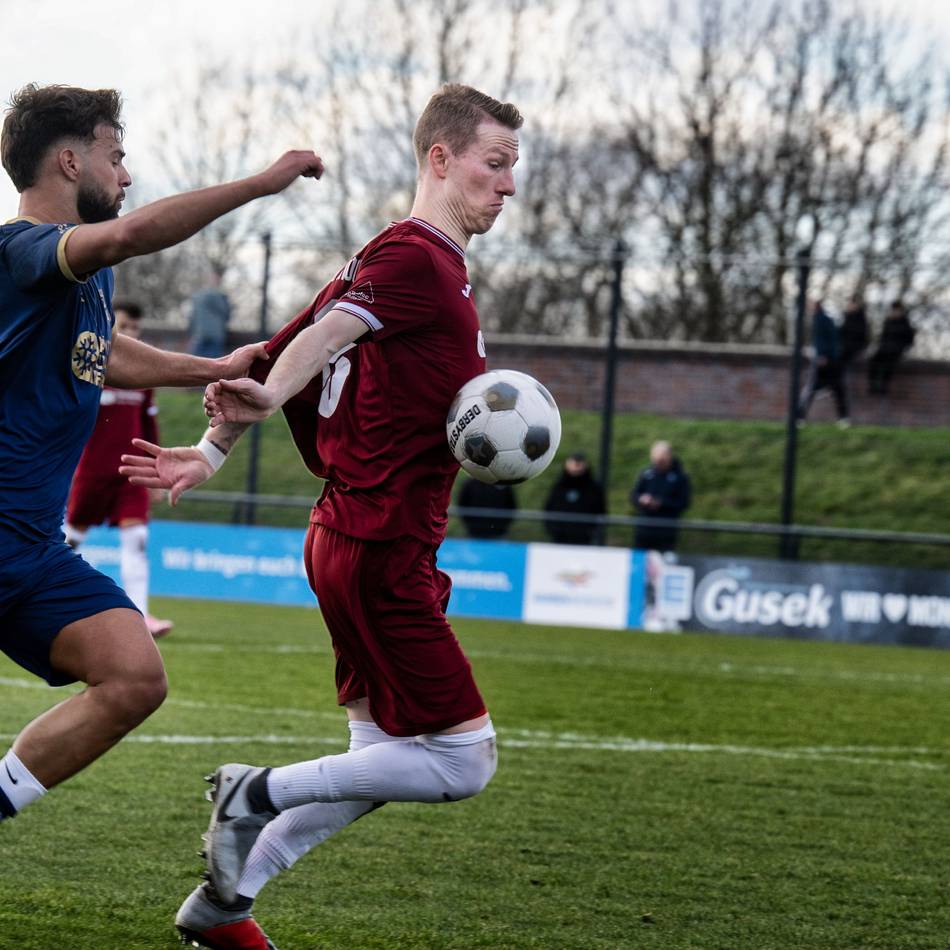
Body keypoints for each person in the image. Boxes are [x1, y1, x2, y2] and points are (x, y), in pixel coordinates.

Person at [121, 83, 523, 949]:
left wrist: (212, 450)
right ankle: (255, 792)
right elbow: (321, 339)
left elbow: (279, 347)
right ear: (441, 160)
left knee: (382, 757)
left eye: (514, 169)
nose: (509, 186)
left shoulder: (388, 258)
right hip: (379, 544)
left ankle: (225, 906)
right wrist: (265, 395)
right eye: (496, 165)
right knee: (461, 760)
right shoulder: (413, 259)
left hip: (352, 535)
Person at [0, 83, 321, 846]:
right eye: (116, 156)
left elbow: (100, 355)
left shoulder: (80, 280)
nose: (126, 175)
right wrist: (258, 185)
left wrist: (210, 367)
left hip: (30, 548)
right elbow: (124, 236)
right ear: (69, 159)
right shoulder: (24, 252)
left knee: (136, 676)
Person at [64, 300, 173, 638]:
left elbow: (148, 425)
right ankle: (30, 596)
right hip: (92, 471)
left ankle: (140, 616)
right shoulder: (87, 367)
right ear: (110, 327)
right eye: (124, 327)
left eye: (136, 329)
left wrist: (157, 470)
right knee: (68, 539)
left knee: (137, 539)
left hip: (132, 472)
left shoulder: (144, 377)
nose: (131, 334)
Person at [797, 298, 849, 427]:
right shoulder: (822, 319)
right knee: (836, 390)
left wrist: (822, 356)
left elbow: (826, 341)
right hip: (829, 360)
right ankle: (843, 418)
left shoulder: (821, 320)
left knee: (814, 388)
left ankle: (800, 417)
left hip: (825, 361)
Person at [631, 441, 691, 552]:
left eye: (662, 459)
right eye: (656, 459)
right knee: (640, 562)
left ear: (669, 457)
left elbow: (683, 502)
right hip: (644, 529)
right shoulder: (646, 473)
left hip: (666, 531)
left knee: (663, 564)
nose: (659, 463)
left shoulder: (680, 477)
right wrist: (642, 500)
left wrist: (661, 503)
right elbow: (634, 495)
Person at [543, 452, 606, 545]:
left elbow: (601, 510)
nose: (576, 466)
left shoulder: (593, 488)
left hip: (584, 538)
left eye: (579, 463)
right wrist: (553, 529)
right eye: (573, 462)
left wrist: (591, 531)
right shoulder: (559, 486)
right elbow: (549, 507)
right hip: (559, 537)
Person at [868, 299, 915, 395]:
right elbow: (883, 336)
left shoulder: (905, 324)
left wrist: (902, 348)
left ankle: (884, 386)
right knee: (874, 361)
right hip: (884, 348)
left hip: (896, 349)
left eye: (897, 310)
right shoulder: (888, 322)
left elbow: (909, 340)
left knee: (888, 364)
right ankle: (873, 384)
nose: (895, 312)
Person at [189, 268, 232, 358]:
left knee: (196, 363)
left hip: (200, 334)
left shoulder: (197, 296)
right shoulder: (220, 296)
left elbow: (192, 317)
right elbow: (226, 314)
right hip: (215, 334)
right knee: (214, 364)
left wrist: (192, 332)